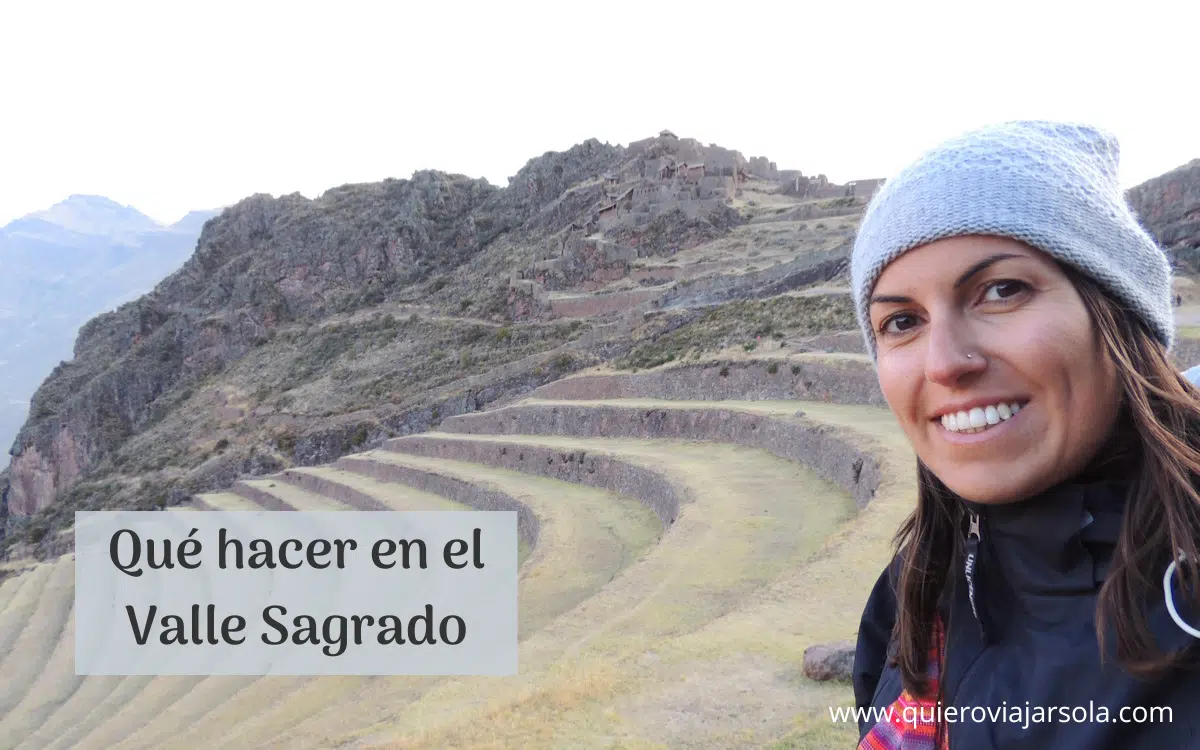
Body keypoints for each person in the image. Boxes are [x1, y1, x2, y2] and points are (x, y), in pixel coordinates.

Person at [848, 120, 1200, 749]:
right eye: (901, 321)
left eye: (1001, 291)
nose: (944, 362)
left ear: (1118, 312)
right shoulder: (915, 588)